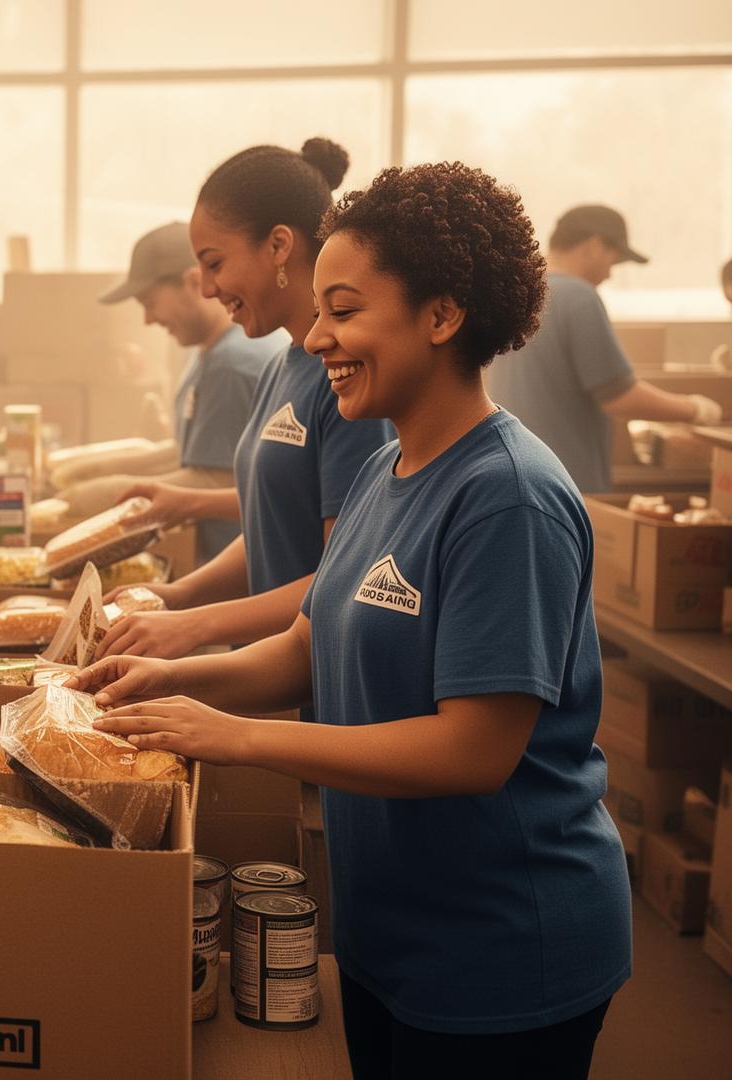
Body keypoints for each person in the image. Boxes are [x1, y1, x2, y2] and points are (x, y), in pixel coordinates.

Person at [74, 161, 628, 1079]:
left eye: (345, 309)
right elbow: (307, 646)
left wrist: (237, 739)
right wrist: (172, 680)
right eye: (320, 311)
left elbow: (472, 751)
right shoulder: (388, 467)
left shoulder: (508, 500)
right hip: (392, 927)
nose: (318, 336)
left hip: (498, 949)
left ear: (442, 317)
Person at [98, 140, 392, 660]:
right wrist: (180, 597)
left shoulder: (346, 379)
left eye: (214, 264)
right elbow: (271, 523)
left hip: (312, 672)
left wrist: (195, 625)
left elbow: (342, 574)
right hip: (262, 667)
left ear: (279, 246)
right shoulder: (281, 366)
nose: (207, 288)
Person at [65, 221, 283, 562]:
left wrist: (106, 492)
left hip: (237, 565)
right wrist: (97, 468)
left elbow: (214, 479)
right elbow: (193, 452)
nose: (148, 319)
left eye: (150, 302)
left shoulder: (232, 364)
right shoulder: (207, 352)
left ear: (192, 282)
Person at [486, 204, 721, 492]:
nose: (610, 274)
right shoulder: (579, 297)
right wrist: (695, 409)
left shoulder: (517, 293)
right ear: (595, 246)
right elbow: (618, 396)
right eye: (614, 261)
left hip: (511, 476)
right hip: (566, 482)